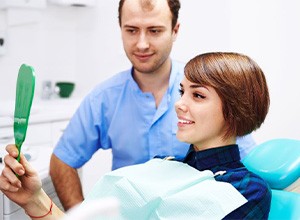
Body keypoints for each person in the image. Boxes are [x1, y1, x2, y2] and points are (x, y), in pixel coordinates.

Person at [0, 52, 271, 219]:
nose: (179, 103)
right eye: (182, 92)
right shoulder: (164, 166)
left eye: (198, 95)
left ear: (236, 111)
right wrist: (35, 200)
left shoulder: (247, 191)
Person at [49, 0, 256, 211]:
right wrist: (81, 214)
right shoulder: (103, 98)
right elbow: (63, 160)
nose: (141, 44)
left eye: (154, 31)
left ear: (175, 30)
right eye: (131, 30)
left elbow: (245, 163)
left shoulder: (207, 91)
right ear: (120, 29)